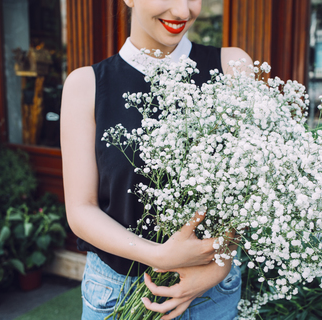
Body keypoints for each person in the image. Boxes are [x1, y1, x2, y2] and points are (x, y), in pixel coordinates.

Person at [60, 1, 252, 319]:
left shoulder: (232, 67)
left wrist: (222, 261)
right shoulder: (86, 85)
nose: (182, 11)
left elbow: (256, 186)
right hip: (116, 290)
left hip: (210, 291)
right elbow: (81, 210)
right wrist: (160, 256)